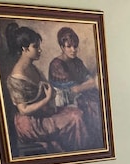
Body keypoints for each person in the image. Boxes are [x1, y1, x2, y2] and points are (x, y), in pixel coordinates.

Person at [5, 22, 90, 153]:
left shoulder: (32, 67)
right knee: (75, 117)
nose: (40, 50)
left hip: (42, 113)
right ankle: (80, 155)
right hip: (30, 123)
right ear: (24, 49)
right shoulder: (17, 76)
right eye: (36, 47)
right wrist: (48, 98)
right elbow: (23, 110)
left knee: (78, 112)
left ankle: (79, 154)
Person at [48, 27, 103, 148]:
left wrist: (86, 85)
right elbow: (74, 89)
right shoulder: (56, 64)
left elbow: (90, 81)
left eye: (75, 46)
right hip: (64, 103)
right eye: (69, 46)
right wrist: (87, 85)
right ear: (62, 47)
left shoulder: (77, 62)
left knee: (98, 102)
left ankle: (98, 144)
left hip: (80, 97)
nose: (73, 50)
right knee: (91, 105)